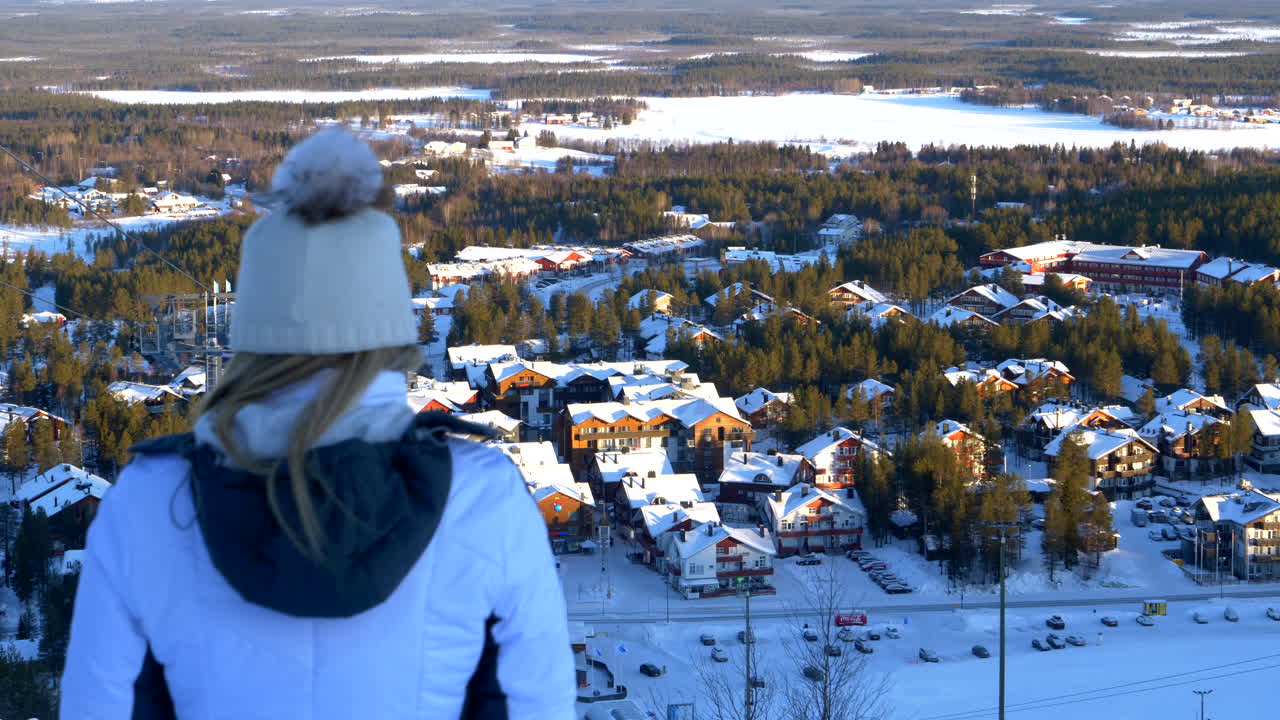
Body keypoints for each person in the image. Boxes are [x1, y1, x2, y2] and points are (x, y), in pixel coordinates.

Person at [60, 129, 575, 719]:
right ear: (391, 329)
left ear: (250, 330)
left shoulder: (154, 500)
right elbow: (533, 705)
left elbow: (102, 705)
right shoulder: (482, 497)